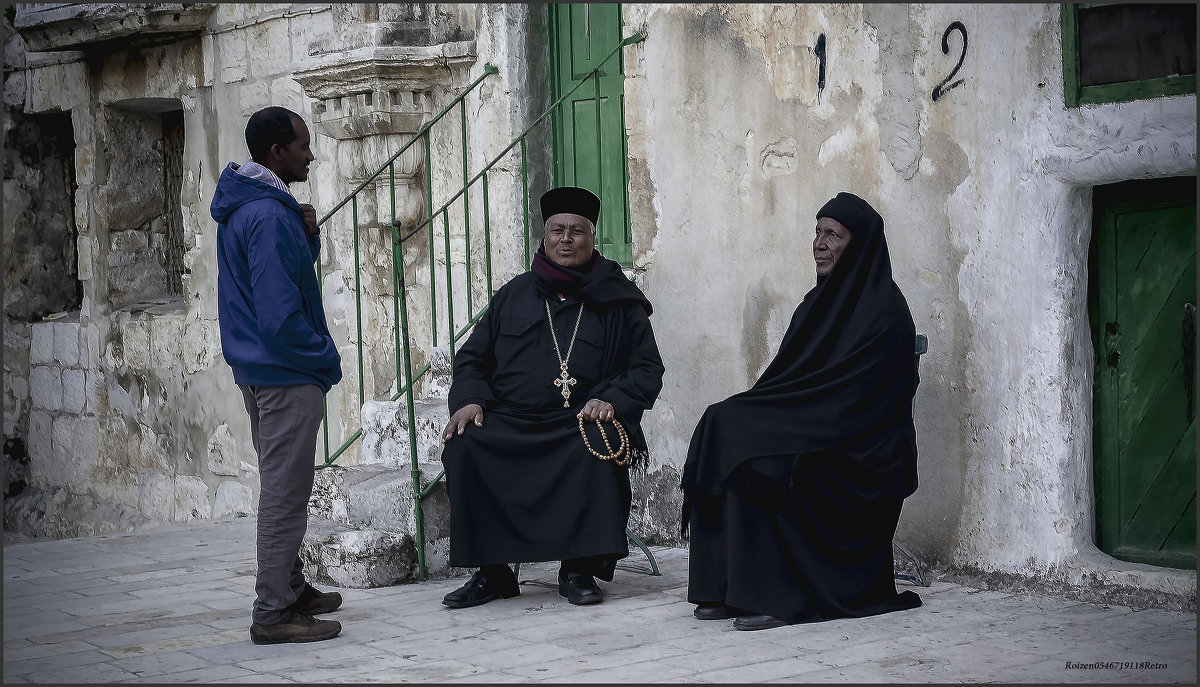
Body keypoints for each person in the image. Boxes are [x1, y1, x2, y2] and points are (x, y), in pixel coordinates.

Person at [680, 191, 922, 631]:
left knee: (769, 458)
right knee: (725, 424)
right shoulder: (815, 306)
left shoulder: (885, 312)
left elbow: (860, 402)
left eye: (833, 234)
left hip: (866, 450)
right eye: (817, 232)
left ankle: (780, 597)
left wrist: (786, 426)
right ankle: (725, 588)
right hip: (819, 426)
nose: (819, 243)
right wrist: (769, 418)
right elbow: (784, 383)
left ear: (860, 244)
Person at [440, 186, 665, 608]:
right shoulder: (515, 294)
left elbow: (647, 368)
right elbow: (472, 358)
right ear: (544, 237)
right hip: (513, 420)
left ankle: (578, 570)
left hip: (578, 422)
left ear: (591, 237)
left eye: (576, 231)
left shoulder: (619, 299)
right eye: (557, 230)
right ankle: (493, 574)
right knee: (466, 444)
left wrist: (613, 399)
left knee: (596, 442)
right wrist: (470, 400)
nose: (566, 238)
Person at [211, 106, 345, 644]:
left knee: (283, 483)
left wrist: (305, 232)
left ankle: (290, 588)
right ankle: (273, 613)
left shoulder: (258, 207)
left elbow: (283, 272)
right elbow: (279, 312)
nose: (310, 154)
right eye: (303, 145)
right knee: (286, 492)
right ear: (277, 153)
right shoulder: (266, 215)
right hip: (283, 369)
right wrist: (322, 359)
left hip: (261, 365)